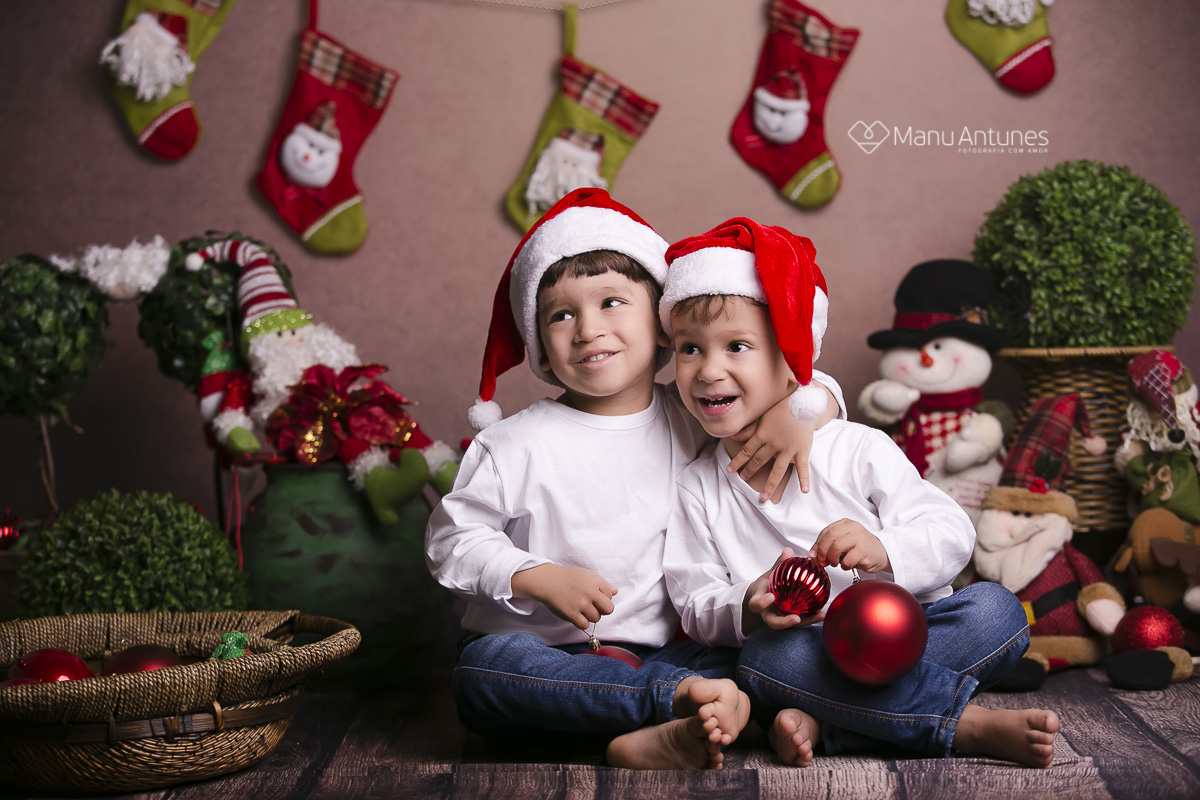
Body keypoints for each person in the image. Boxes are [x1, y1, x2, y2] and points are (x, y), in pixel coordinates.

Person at [425, 189, 843, 770]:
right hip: (547, 657)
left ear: (665, 325)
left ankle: (662, 717)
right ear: (540, 346)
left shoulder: (694, 415)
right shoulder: (513, 444)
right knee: (484, 674)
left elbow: (782, 382)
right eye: (561, 314)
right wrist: (536, 576)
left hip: (668, 653)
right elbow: (451, 542)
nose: (587, 329)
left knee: (759, 656)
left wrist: (803, 414)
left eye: (612, 301)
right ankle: (670, 710)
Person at [661, 217, 1059, 769]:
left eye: (737, 346)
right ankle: (959, 724)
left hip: (906, 631)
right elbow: (694, 599)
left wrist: (885, 549)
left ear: (792, 359)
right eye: (689, 348)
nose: (708, 370)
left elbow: (951, 531)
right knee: (764, 660)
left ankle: (833, 721)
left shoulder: (857, 447)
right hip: (798, 649)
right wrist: (747, 602)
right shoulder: (697, 486)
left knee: (996, 612)